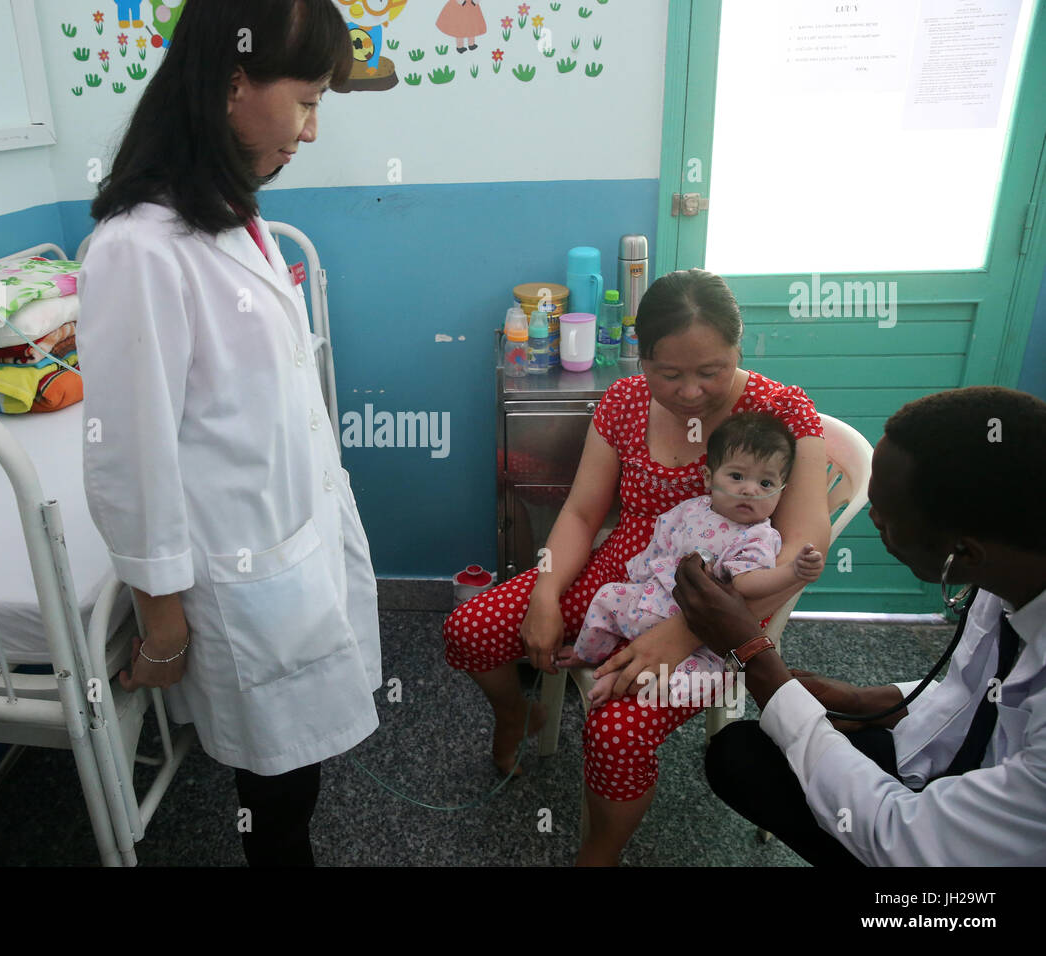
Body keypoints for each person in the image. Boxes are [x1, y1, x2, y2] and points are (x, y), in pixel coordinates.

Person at [78, 0, 381, 867]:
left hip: (284, 540)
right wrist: (162, 623)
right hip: (240, 568)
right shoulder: (139, 247)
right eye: (309, 99)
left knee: (293, 780)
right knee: (277, 799)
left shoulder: (231, 216)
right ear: (233, 81)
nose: (313, 131)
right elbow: (128, 455)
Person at [443, 268, 831, 866]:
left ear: (739, 347)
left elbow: (801, 555)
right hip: (622, 578)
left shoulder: (781, 411)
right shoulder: (624, 400)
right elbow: (578, 513)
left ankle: (600, 852)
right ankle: (521, 713)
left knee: (616, 732)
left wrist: (687, 629)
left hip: (727, 612)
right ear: (641, 357)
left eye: (712, 371)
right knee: (470, 628)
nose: (691, 392)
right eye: (668, 373)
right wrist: (546, 596)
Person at [680, 386, 1046, 865]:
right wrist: (868, 701)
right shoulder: (1006, 572)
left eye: (888, 519)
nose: (873, 518)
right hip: (945, 767)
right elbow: (983, 695)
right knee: (741, 754)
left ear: (967, 552)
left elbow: (904, 838)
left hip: (936, 846)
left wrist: (752, 653)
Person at [560, 411, 824, 709]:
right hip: (651, 600)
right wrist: (640, 578)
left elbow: (747, 583)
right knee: (607, 597)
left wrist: (792, 572)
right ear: (709, 478)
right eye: (736, 477)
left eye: (765, 483)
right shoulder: (693, 508)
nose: (750, 490)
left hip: (696, 629)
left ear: (780, 492)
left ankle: (619, 680)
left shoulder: (758, 537)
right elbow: (662, 541)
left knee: (700, 676)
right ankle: (588, 652)